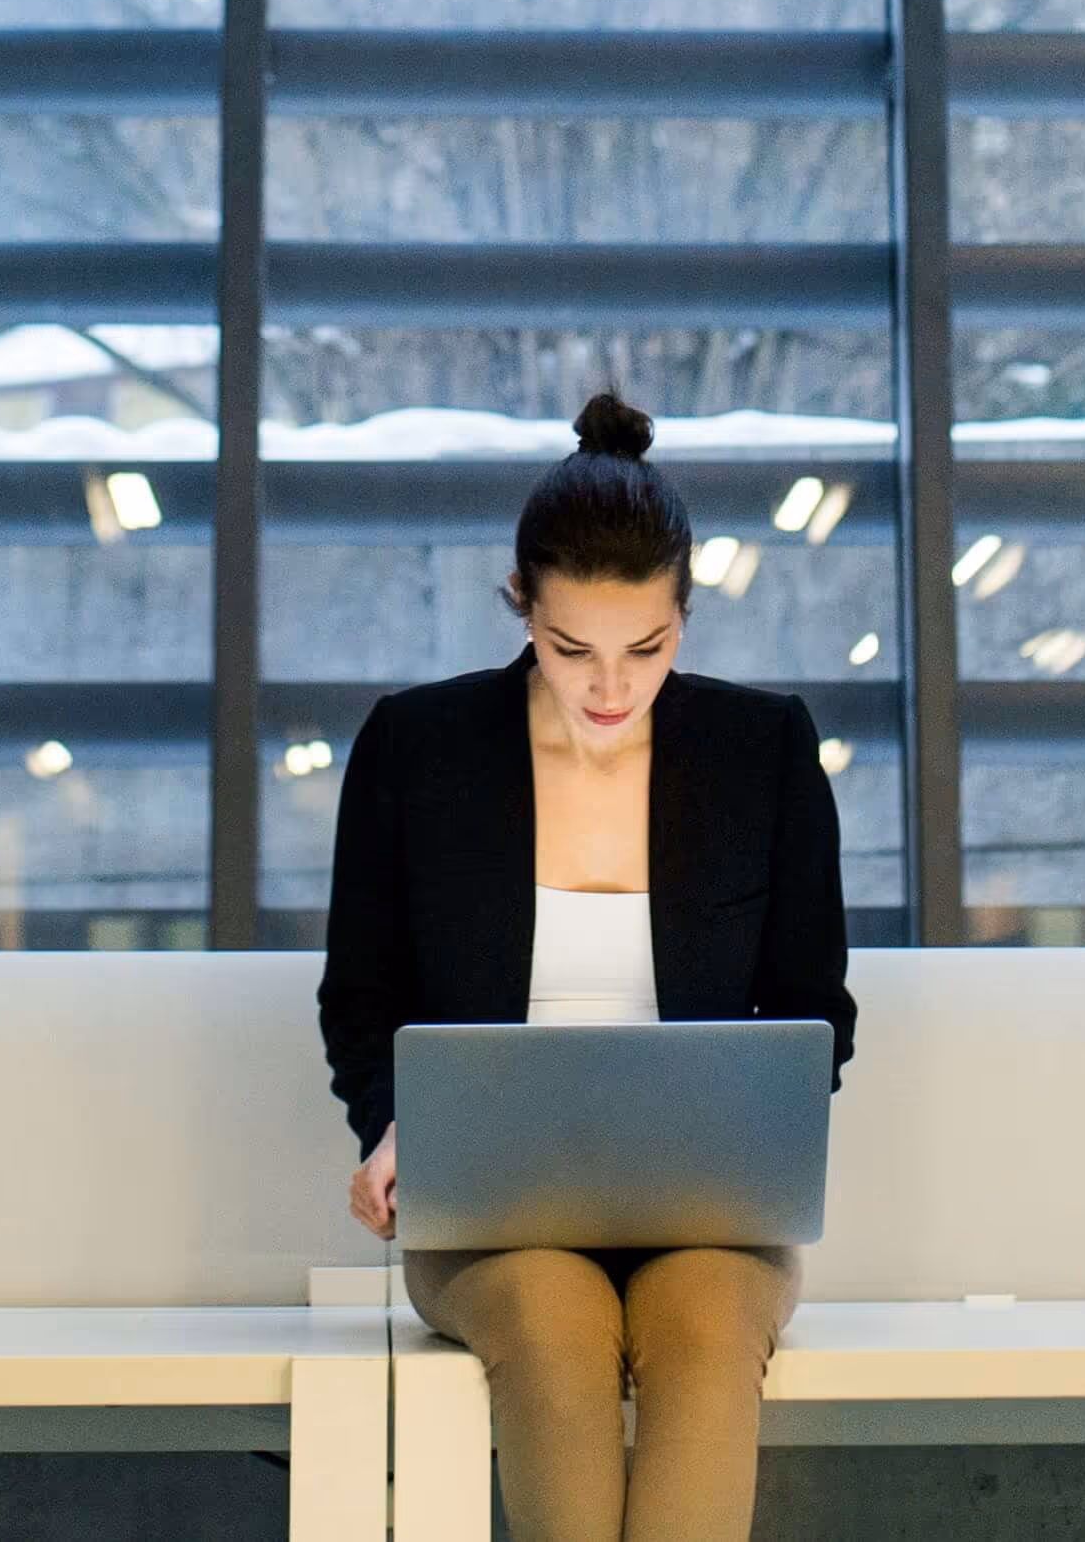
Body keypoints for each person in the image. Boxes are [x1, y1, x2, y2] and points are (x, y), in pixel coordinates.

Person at [316, 391, 857, 1542]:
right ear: (521, 606)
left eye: (647, 648)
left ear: (685, 616)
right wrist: (392, 1126)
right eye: (572, 650)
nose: (610, 689)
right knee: (553, 1325)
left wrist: (766, 1123)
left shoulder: (761, 752)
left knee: (708, 1323)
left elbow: (815, 1008)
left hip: (709, 1215)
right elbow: (361, 995)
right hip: (491, 1221)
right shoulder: (417, 749)